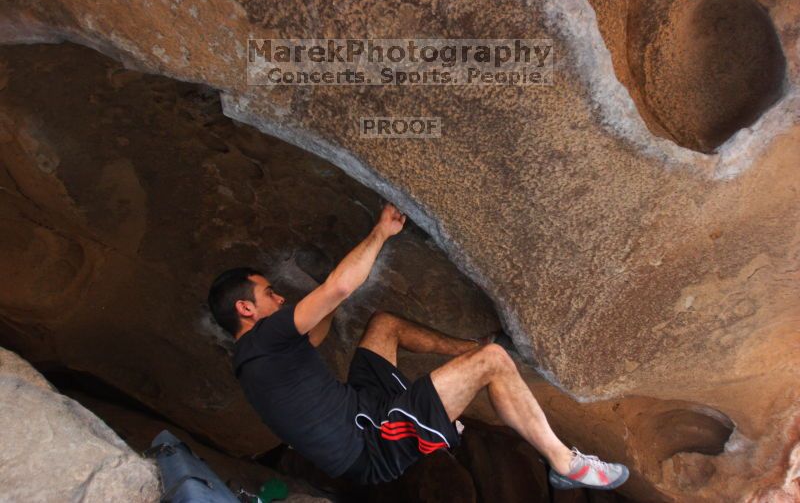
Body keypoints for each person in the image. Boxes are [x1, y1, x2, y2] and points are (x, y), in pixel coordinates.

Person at [208, 203, 628, 490]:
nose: (280, 299)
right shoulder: (265, 336)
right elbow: (339, 287)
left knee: (384, 325)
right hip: (373, 442)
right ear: (246, 308)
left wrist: (328, 298)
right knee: (494, 362)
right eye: (270, 294)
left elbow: (315, 334)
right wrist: (380, 231)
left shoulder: (253, 359)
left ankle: (471, 349)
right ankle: (566, 464)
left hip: (363, 410)